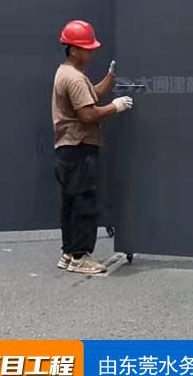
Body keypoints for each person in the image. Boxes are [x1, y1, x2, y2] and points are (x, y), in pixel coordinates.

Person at [52, 20, 133, 274]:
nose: (92, 52)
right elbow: (87, 114)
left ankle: (68, 253)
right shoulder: (75, 78)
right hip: (80, 149)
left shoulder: (66, 73)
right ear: (73, 49)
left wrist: (110, 78)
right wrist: (115, 107)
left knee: (71, 203)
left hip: (68, 149)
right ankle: (81, 257)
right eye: (87, 48)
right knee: (84, 203)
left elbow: (91, 96)